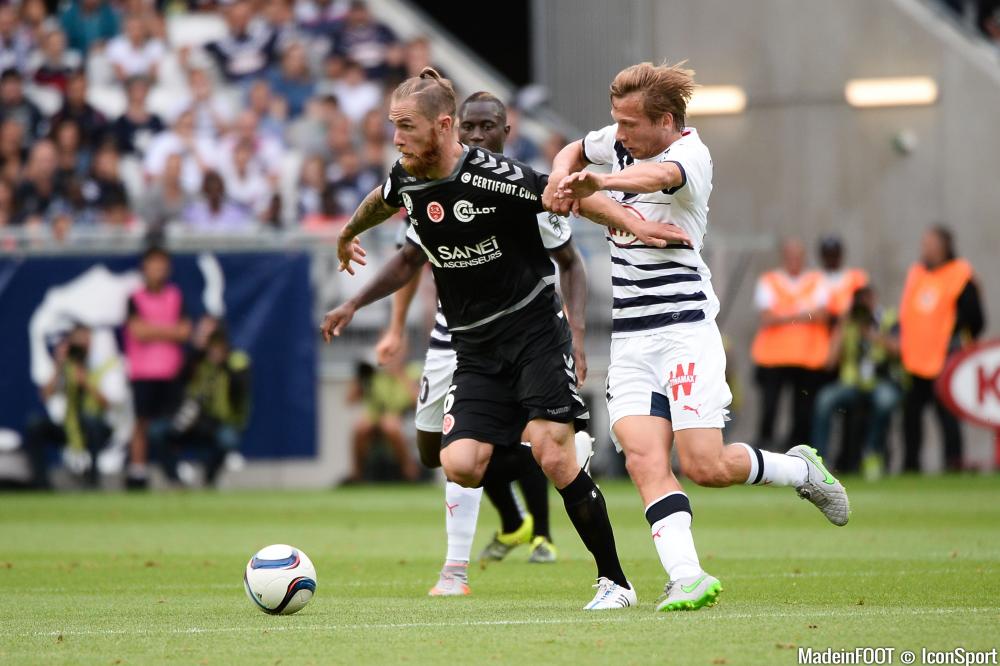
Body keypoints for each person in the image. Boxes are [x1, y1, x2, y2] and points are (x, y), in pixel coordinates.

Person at [321, 67, 686, 610]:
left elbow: (571, 196)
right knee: (460, 463)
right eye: (392, 126)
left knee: (554, 456)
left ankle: (616, 582)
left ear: (443, 126)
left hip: (533, 331)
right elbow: (382, 199)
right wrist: (349, 233)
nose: (396, 139)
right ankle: (553, 439)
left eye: (406, 127)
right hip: (474, 346)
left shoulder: (494, 177)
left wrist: (639, 226)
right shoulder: (408, 176)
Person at [548, 61, 850, 613]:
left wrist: (601, 185)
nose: (618, 134)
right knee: (643, 459)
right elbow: (571, 154)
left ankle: (801, 468)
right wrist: (566, 181)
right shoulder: (617, 143)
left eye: (630, 124)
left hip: (685, 332)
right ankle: (685, 575)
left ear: (665, 121)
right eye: (615, 122)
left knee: (705, 466)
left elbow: (657, 179)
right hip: (632, 339)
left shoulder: (690, 155)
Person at [372, 91, 591, 596]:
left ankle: (483, 555)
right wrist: (393, 327)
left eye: (486, 127)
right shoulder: (429, 179)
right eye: (468, 127)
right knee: (436, 452)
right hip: (453, 338)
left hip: (518, 335)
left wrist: (576, 335)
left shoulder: (519, 188)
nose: (475, 136)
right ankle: (515, 513)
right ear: (453, 127)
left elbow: (571, 261)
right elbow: (412, 257)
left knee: (508, 439)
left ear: (504, 132)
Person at [899, 226, 985, 472]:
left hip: (946, 358)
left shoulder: (960, 274)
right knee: (911, 417)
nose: (924, 249)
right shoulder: (917, 273)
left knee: (947, 417)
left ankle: (953, 464)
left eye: (930, 244)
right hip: (915, 359)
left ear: (944, 247)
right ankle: (910, 466)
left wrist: (955, 341)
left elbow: (976, 318)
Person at [811, 287, 902, 478]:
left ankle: (872, 452)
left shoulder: (886, 319)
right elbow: (829, 362)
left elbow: (899, 350)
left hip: (878, 382)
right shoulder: (849, 323)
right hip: (852, 384)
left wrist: (871, 334)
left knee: (885, 400)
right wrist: (842, 326)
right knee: (824, 399)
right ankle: (819, 459)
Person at [149, 318, 251, 487]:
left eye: (209, 333)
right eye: (202, 332)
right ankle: (176, 481)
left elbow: (240, 390)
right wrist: (195, 356)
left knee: (228, 439)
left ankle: (209, 479)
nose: (205, 337)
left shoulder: (236, 359)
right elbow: (178, 387)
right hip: (191, 419)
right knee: (157, 431)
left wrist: (222, 362)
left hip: (219, 421)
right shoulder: (194, 359)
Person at [24, 323, 127, 489]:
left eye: (84, 340)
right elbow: (45, 396)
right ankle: (40, 482)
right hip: (71, 427)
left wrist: (86, 383)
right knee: (35, 425)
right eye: (76, 340)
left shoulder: (105, 365)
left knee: (90, 422)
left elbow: (111, 405)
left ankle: (93, 482)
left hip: (100, 426)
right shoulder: (67, 366)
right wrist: (58, 366)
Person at [751, 238, 831, 451]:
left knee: (802, 411)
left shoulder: (816, 279)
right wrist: (803, 313)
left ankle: (797, 451)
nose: (794, 261)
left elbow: (823, 314)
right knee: (769, 408)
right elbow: (766, 316)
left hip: (807, 357)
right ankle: (765, 449)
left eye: (798, 256)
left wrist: (784, 314)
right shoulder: (770, 280)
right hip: (773, 357)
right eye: (790, 256)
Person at [123, 245, 192, 489]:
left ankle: (172, 471)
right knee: (141, 422)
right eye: (153, 265)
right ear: (145, 268)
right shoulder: (135, 297)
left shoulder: (175, 295)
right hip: (143, 371)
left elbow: (185, 332)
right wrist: (168, 330)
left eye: (162, 266)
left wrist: (154, 329)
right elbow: (138, 331)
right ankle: (138, 471)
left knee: (171, 426)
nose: (158, 271)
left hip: (170, 370)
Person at [345, 352, 422, 483]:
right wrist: (360, 377)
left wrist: (399, 374)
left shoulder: (413, 370)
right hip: (375, 418)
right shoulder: (374, 371)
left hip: (403, 418)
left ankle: (409, 471)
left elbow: (418, 402)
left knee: (390, 425)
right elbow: (350, 400)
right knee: (360, 427)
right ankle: (357, 475)